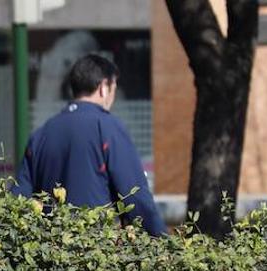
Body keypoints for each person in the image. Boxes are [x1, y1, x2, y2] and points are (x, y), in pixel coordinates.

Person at [11, 53, 166, 236]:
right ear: (103, 88)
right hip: (95, 252)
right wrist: (163, 241)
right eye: (114, 89)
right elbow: (135, 196)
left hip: (50, 252)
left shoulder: (41, 134)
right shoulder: (107, 127)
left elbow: (19, 200)